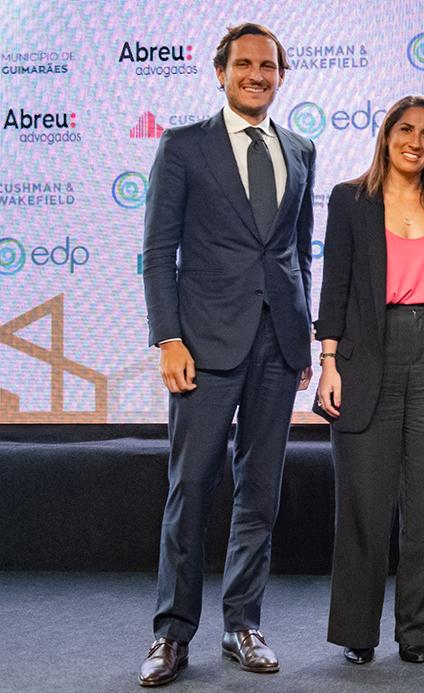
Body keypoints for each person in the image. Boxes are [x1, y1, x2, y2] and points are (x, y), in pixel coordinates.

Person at [138, 22, 316, 687]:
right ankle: (171, 633)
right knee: (190, 489)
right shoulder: (185, 147)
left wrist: (300, 335)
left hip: (277, 344)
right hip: (203, 344)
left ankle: (243, 622)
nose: (257, 74)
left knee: (259, 492)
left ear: (280, 74)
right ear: (221, 72)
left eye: (268, 65)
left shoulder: (300, 149)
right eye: (244, 64)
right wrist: (168, 338)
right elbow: (159, 252)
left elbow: (298, 251)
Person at [313, 95, 424, 667]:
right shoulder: (351, 200)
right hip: (366, 358)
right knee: (364, 501)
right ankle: (358, 629)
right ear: (386, 136)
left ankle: (418, 631)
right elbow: (335, 286)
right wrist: (329, 361)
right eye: (406, 130)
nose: (416, 142)